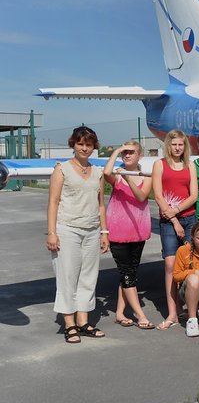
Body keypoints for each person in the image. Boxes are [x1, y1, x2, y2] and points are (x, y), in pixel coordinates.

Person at [47, 125, 109, 343]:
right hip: (68, 229)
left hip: (92, 230)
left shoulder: (98, 172)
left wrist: (104, 232)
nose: (84, 148)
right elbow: (53, 202)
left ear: (94, 147)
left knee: (88, 278)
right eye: (81, 143)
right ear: (73, 144)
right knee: (67, 277)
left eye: (89, 144)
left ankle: (84, 322)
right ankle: (69, 324)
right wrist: (52, 232)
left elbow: (101, 204)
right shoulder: (61, 169)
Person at [103, 141, 154, 329]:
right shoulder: (116, 173)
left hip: (138, 232)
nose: (127, 155)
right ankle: (140, 315)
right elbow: (106, 173)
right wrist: (116, 151)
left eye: (131, 152)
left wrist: (128, 177)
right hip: (118, 232)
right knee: (127, 274)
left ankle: (119, 313)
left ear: (140, 155)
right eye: (125, 152)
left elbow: (141, 196)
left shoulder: (146, 175)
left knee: (129, 274)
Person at [152, 129, 198, 331]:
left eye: (181, 144)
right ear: (168, 146)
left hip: (189, 219)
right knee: (170, 265)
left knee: (188, 265)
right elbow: (158, 196)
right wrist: (174, 220)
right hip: (169, 223)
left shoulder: (190, 166)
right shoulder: (159, 165)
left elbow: (193, 195)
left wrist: (177, 211)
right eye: (174, 144)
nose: (177, 148)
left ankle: (191, 310)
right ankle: (173, 311)